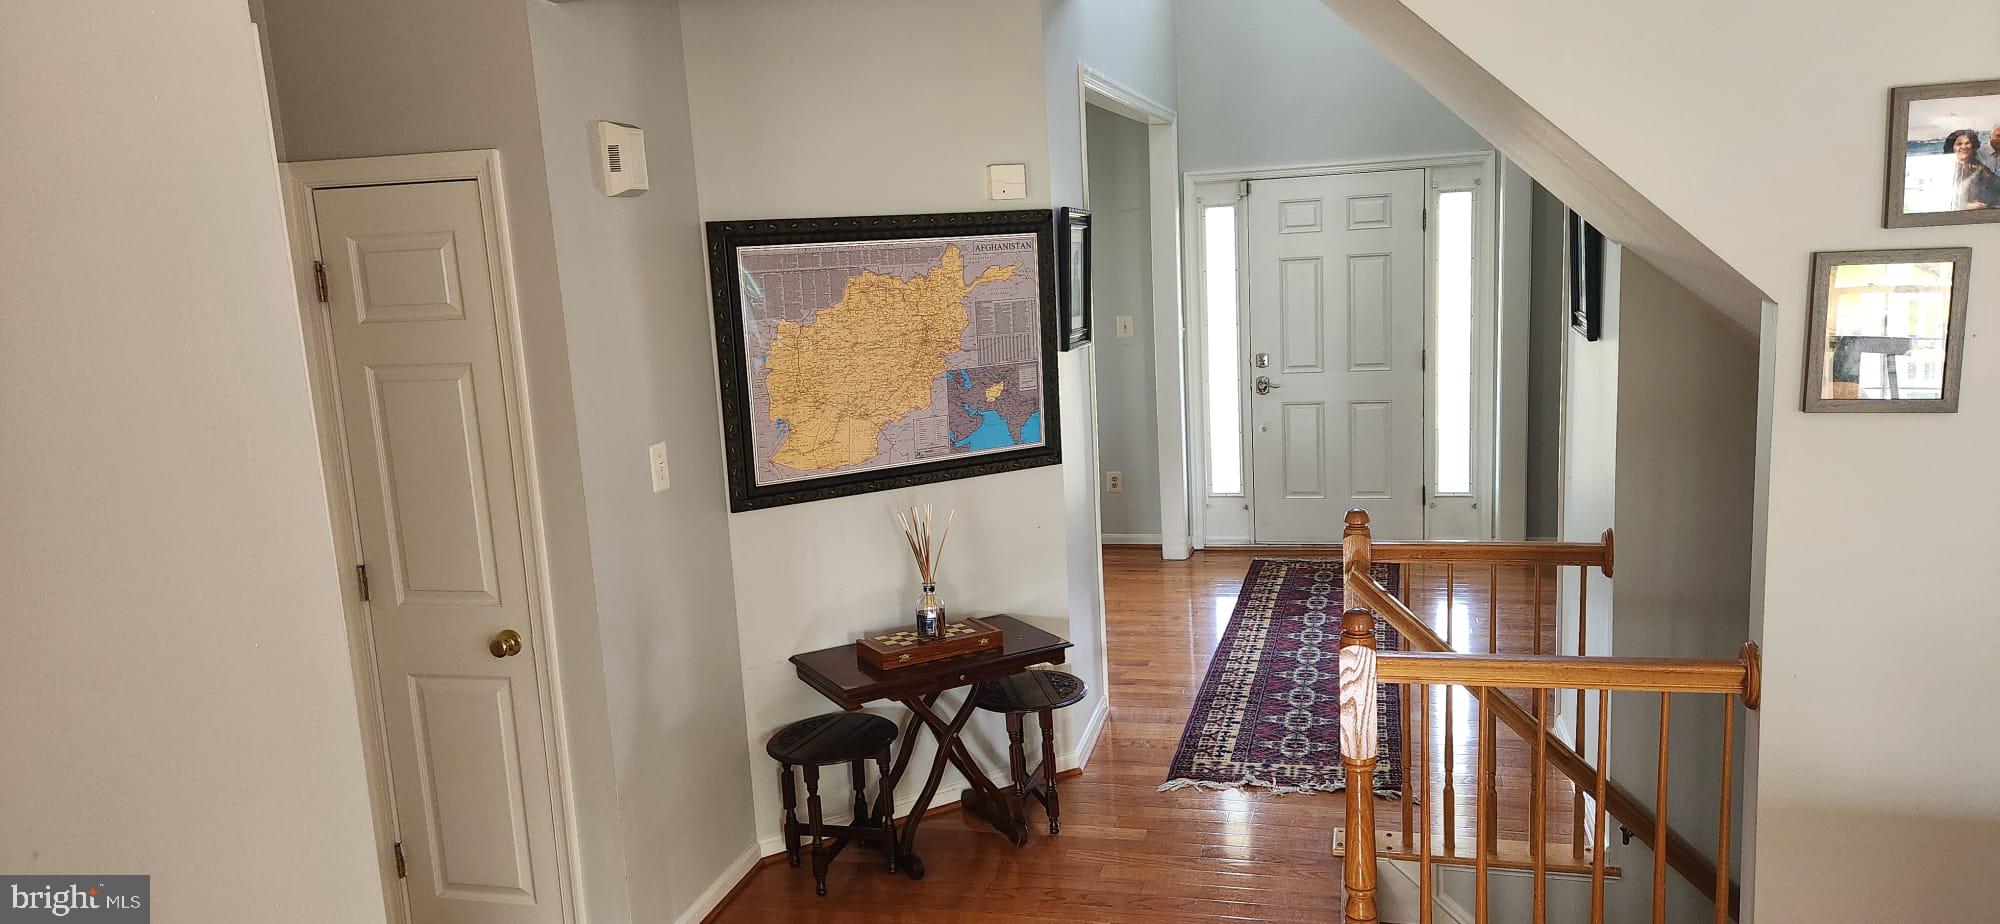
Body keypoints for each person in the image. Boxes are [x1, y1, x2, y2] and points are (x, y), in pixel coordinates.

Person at [1945, 128, 2000, 210]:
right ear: (1952, 147)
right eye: (1959, 144)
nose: (1964, 147)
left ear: (1973, 146)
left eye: (1967, 143)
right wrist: (1965, 206)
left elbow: (1996, 185)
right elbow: (1943, 200)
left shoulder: (1979, 167)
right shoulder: (1947, 169)